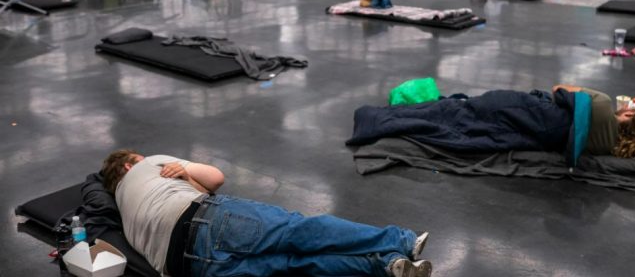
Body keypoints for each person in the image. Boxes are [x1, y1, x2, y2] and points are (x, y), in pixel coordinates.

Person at [101, 150, 432, 277]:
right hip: (205, 220)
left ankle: (388, 268)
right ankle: (401, 241)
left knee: (295, 265)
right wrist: (185, 175)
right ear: (130, 163)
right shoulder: (151, 163)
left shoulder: (123, 205)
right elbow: (215, 181)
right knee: (300, 232)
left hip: (189, 268)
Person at [347, 85, 635, 161]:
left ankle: (371, 118)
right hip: (532, 131)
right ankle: (379, 121)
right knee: (448, 118)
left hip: (518, 108)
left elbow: (558, 90)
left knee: (447, 112)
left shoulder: (602, 105)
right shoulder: (607, 148)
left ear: (629, 116)